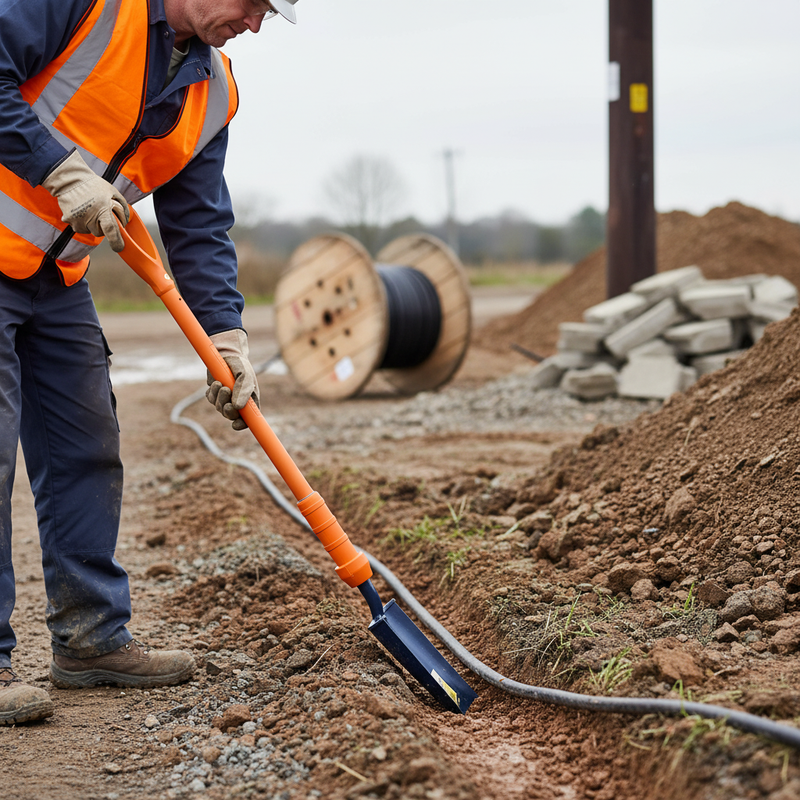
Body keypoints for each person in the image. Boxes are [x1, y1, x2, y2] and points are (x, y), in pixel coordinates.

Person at [0, 0, 299, 726]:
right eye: (254, 5)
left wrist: (226, 339)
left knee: (87, 447)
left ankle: (90, 638)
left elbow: (199, 223)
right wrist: (59, 171)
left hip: (55, 274)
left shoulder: (214, 90)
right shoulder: (89, 5)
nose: (255, 24)